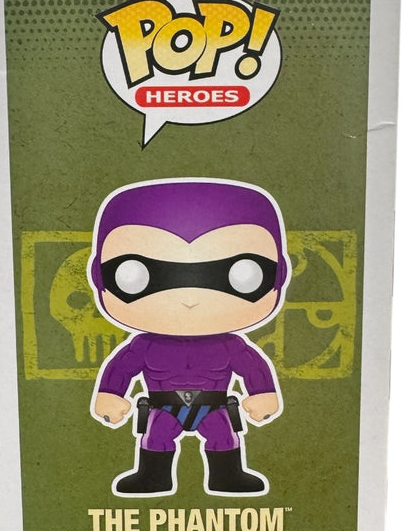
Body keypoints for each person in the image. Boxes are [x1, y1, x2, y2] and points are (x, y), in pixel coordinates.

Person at [88, 178, 289, 497]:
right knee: (156, 439)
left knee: (224, 438)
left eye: (240, 275)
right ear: (99, 275)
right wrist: (110, 394)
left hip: (214, 406)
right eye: (138, 275)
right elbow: (122, 368)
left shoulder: (230, 345)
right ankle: (153, 477)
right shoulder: (144, 345)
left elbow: (252, 367)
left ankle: (227, 477)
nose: (190, 298)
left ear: (278, 275)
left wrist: (263, 393)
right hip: (162, 406)